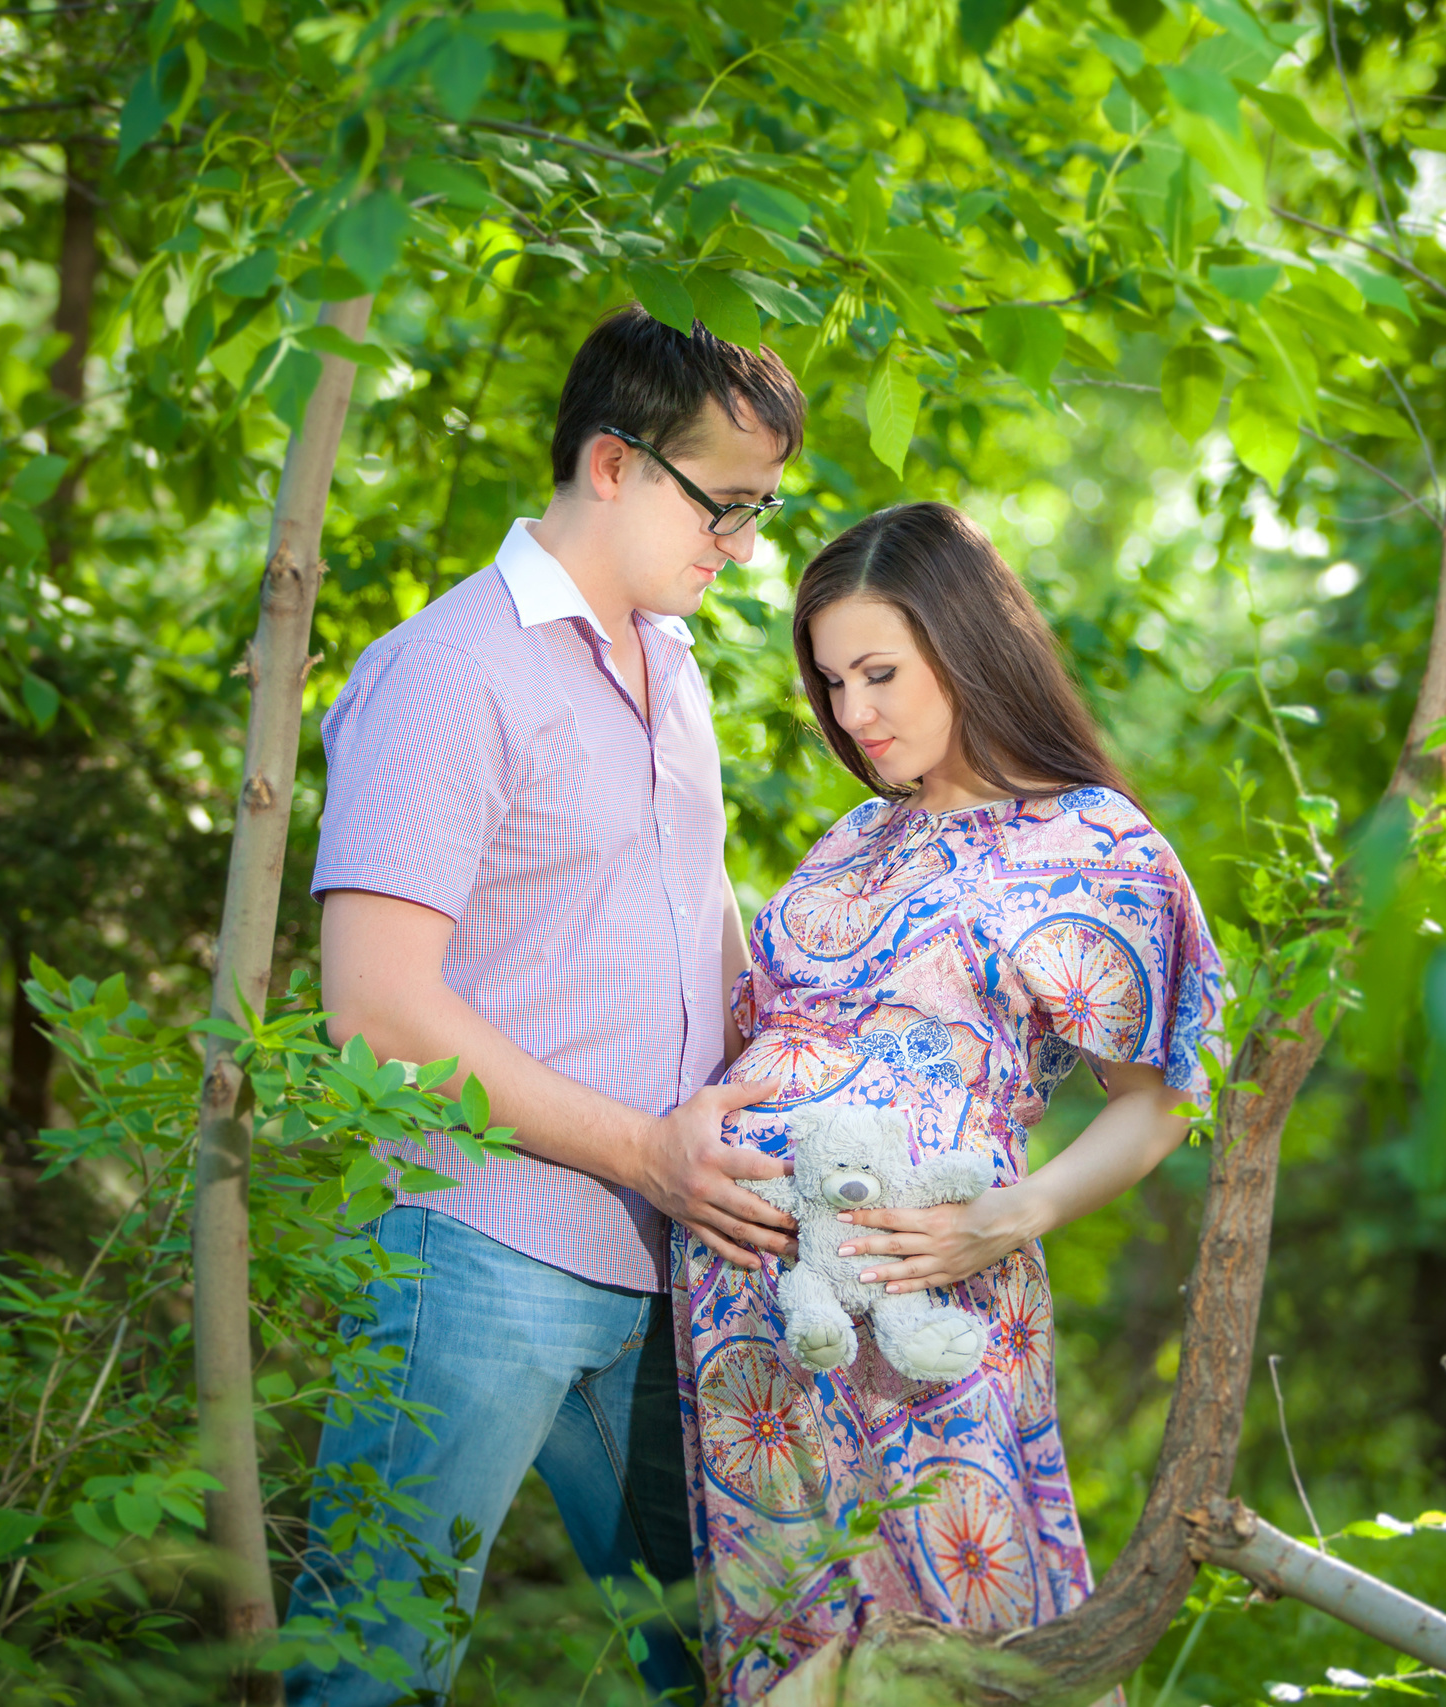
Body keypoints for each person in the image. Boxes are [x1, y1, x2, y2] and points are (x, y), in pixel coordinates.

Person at [286, 305, 808, 1706]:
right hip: (479, 1246)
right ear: (614, 464)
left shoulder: (675, 668)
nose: (742, 545)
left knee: (734, 1664)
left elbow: (693, 934)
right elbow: (377, 1015)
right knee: (370, 1672)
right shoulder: (449, 672)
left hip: (669, 1264)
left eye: (761, 512)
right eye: (726, 504)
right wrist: (646, 1148)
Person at [676, 502, 1230, 1701]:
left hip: (927, 1312)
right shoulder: (854, 835)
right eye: (832, 683)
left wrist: (1011, 1216)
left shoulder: (1094, 843)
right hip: (756, 1347)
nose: (853, 713)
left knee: (965, 1642)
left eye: (880, 672)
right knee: (803, 1668)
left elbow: (1163, 1100)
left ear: (969, 646)